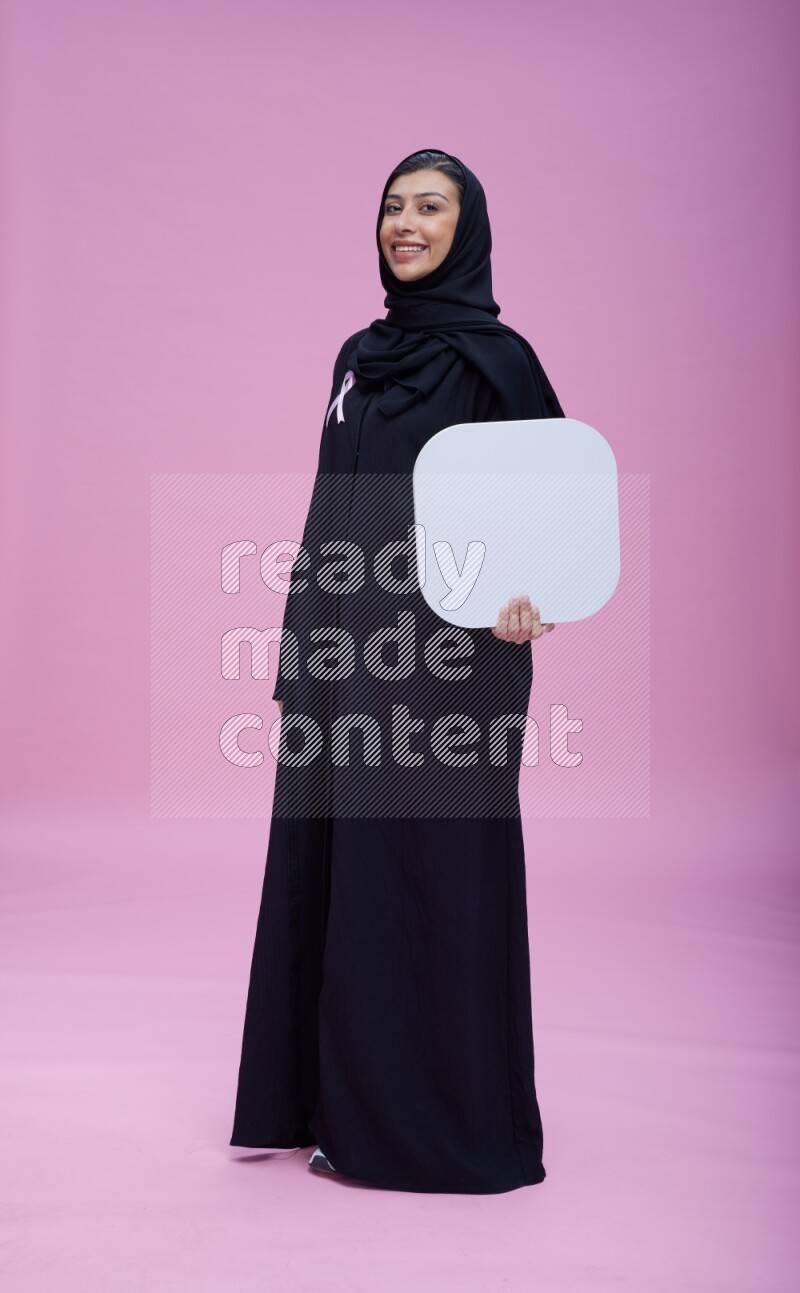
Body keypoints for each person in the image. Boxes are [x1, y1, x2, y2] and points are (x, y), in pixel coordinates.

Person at [230, 148, 564, 1194]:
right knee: (339, 876)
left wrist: (528, 591)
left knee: (426, 881)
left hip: (450, 665)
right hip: (345, 656)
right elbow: (330, 511)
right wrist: (302, 645)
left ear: (465, 230)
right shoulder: (354, 357)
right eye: (391, 207)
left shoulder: (497, 361)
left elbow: (551, 507)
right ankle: (331, 1107)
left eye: (429, 207)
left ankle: (441, 1128)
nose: (404, 224)